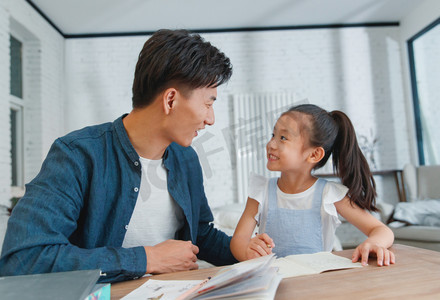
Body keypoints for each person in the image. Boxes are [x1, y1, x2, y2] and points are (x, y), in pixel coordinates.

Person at [0, 29, 237, 283]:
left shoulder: (186, 159)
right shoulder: (77, 155)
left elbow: (199, 234)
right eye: (208, 104)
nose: (210, 119)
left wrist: (242, 250)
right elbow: (23, 259)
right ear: (170, 100)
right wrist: (147, 259)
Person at [230, 104, 395, 267]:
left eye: (283, 138)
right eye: (273, 135)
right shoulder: (261, 191)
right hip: (272, 283)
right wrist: (246, 250)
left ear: (314, 154)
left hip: (315, 284)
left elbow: (382, 230)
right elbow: (238, 240)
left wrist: (373, 244)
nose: (271, 144)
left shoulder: (329, 194)